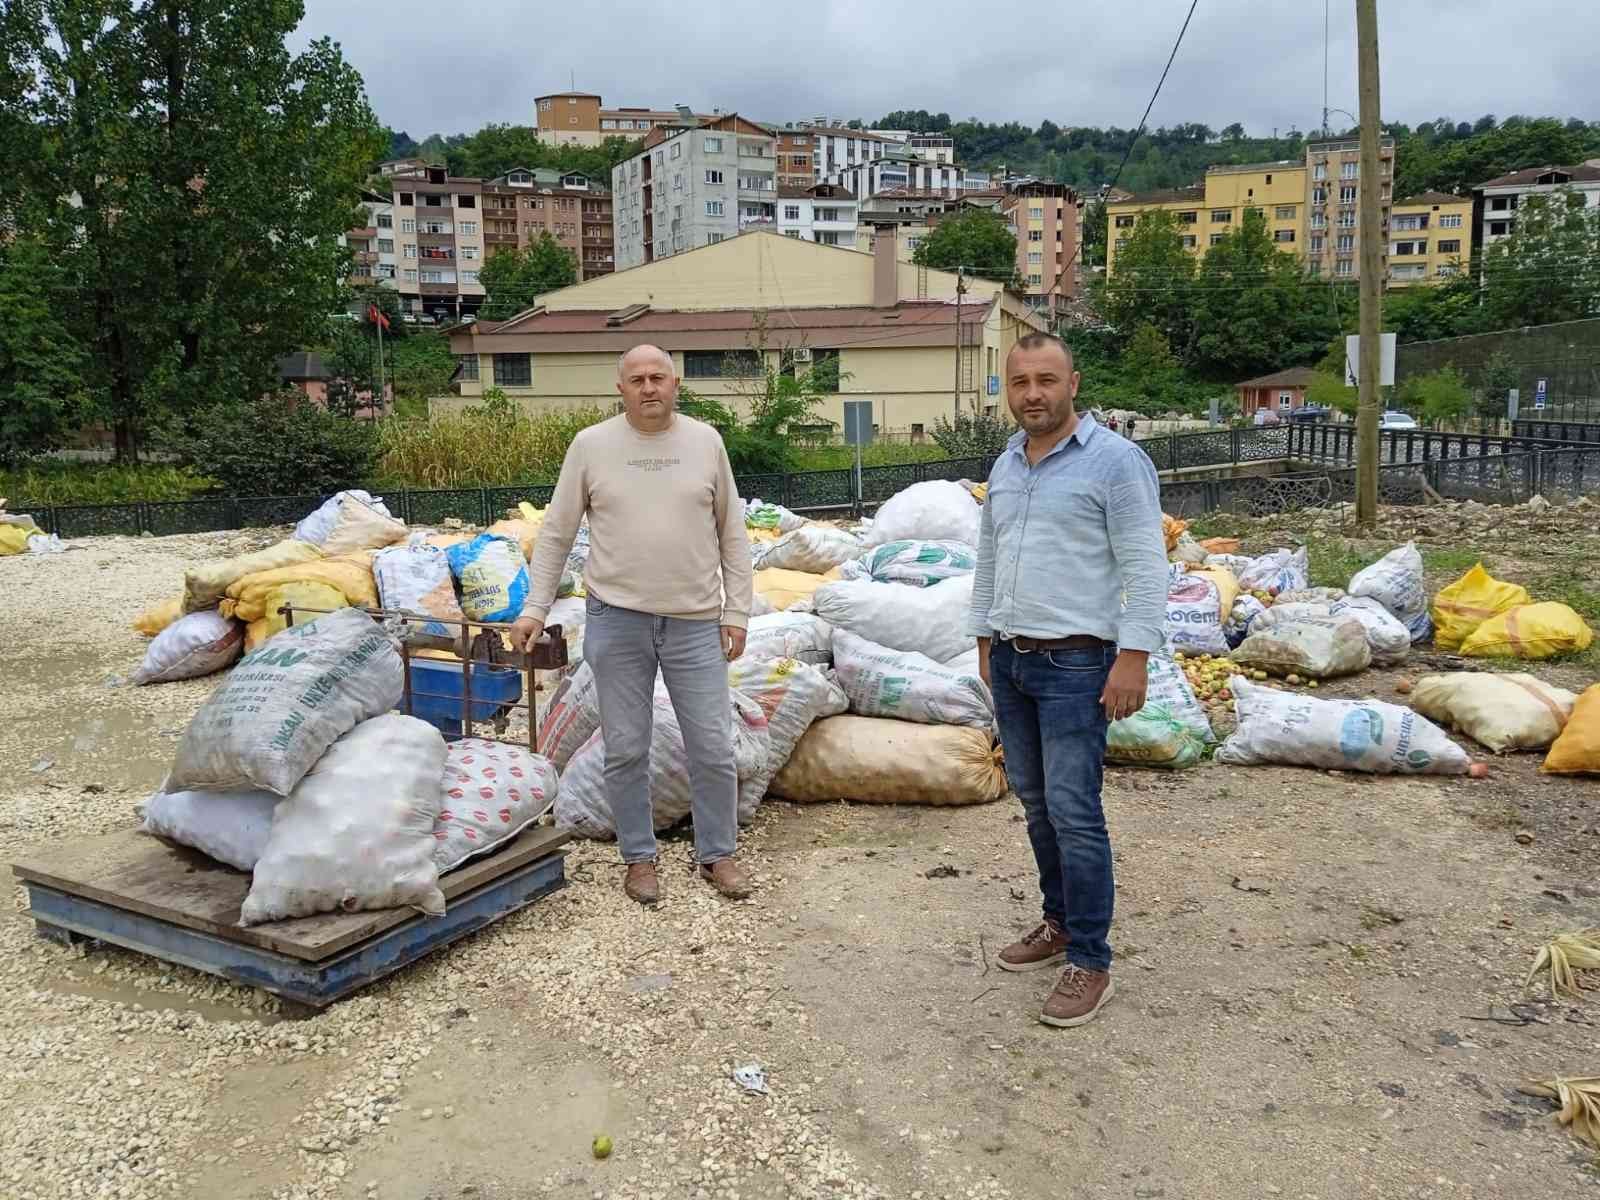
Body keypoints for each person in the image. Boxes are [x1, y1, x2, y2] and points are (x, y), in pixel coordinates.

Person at [967, 332, 1167, 1028]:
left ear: (1072, 383)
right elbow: (989, 556)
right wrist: (984, 636)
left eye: (1046, 380)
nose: (1032, 394)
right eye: (1020, 382)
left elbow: (1146, 564)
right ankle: (1057, 923)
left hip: (1079, 664)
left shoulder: (1115, 463)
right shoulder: (1008, 464)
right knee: (1035, 802)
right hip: (1016, 661)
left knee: (1076, 812)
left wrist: (1134, 654)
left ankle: (1091, 956)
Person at [510, 344, 754, 905]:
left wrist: (736, 611)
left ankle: (718, 853)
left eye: (659, 378)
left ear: (677, 384)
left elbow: (732, 535)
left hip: (695, 620)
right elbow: (556, 533)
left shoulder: (705, 443)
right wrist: (534, 609)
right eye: (637, 379)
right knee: (625, 747)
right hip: (616, 620)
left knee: (714, 745)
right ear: (620, 388)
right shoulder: (591, 446)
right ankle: (639, 857)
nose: (649, 388)